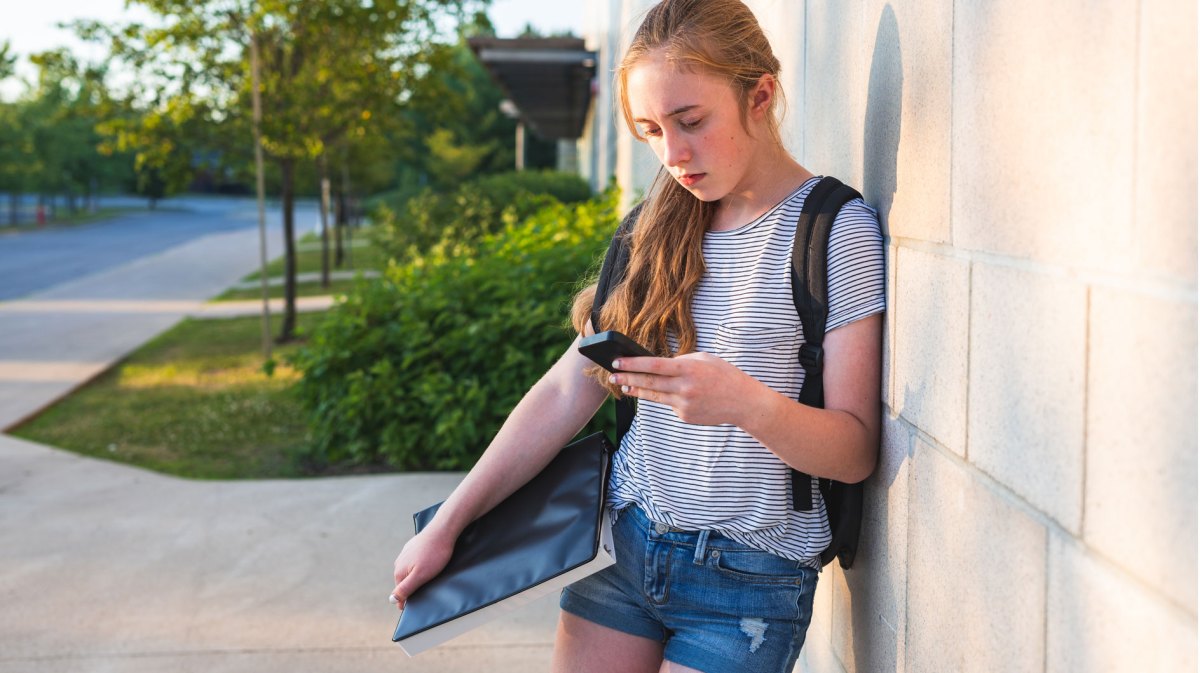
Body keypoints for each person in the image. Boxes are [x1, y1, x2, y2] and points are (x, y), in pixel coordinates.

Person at [391, 0, 885, 671]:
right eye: (651, 130)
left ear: (760, 95)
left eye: (691, 121)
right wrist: (449, 524)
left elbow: (855, 451)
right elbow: (565, 391)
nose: (673, 154)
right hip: (621, 550)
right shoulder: (652, 229)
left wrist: (745, 403)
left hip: (747, 581)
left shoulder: (832, 230)